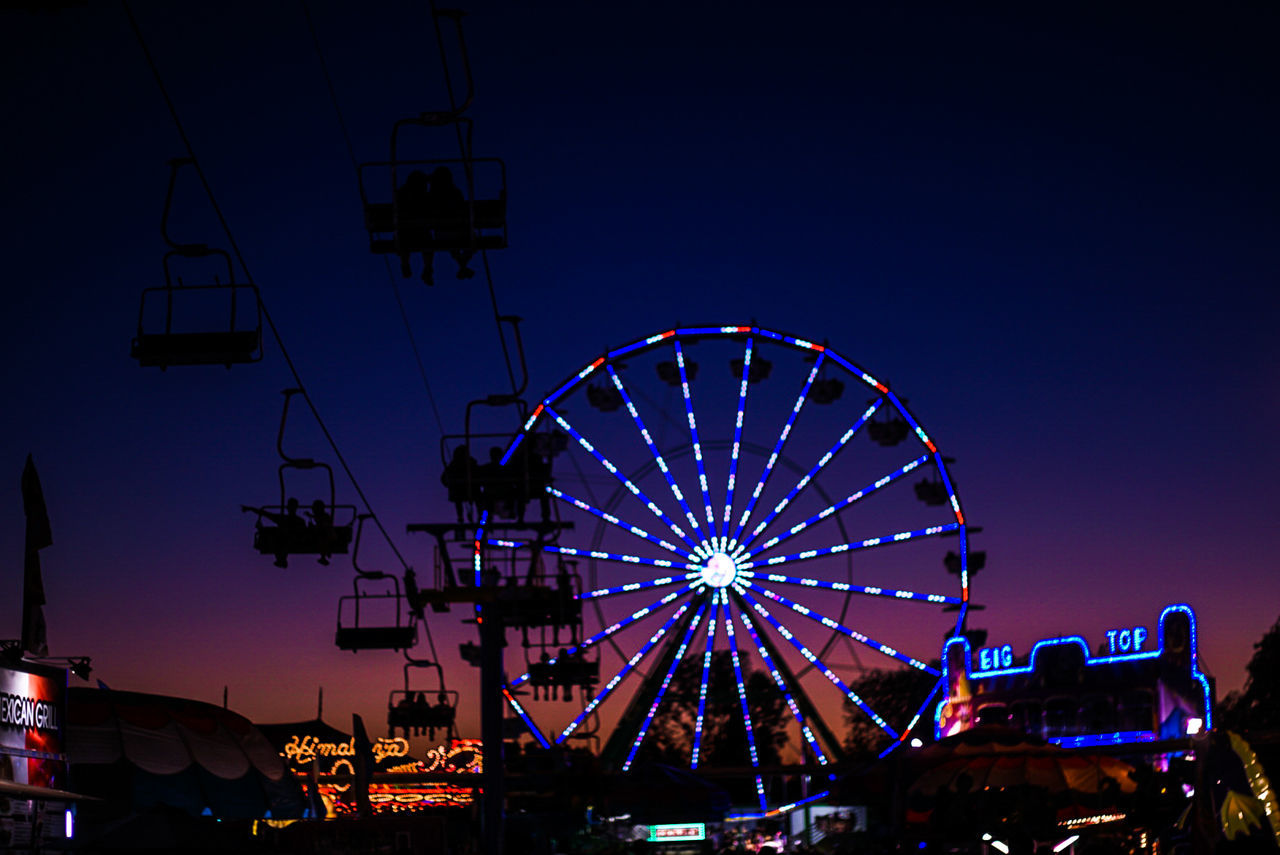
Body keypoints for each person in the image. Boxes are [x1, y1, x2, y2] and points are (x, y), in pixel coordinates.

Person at [425, 166, 477, 282]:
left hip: (441, 235)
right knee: (469, 238)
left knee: (451, 241)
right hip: (457, 232)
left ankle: (462, 265)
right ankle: (463, 264)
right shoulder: (456, 193)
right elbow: (464, 211)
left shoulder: (431, 197)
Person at [394, 170, 432, 282]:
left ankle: (405, 263)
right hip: (421, 234)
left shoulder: (401, 194)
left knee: (403, 237)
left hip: (405, 234)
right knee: (427, 241)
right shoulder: (425, 196)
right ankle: (428, 267)